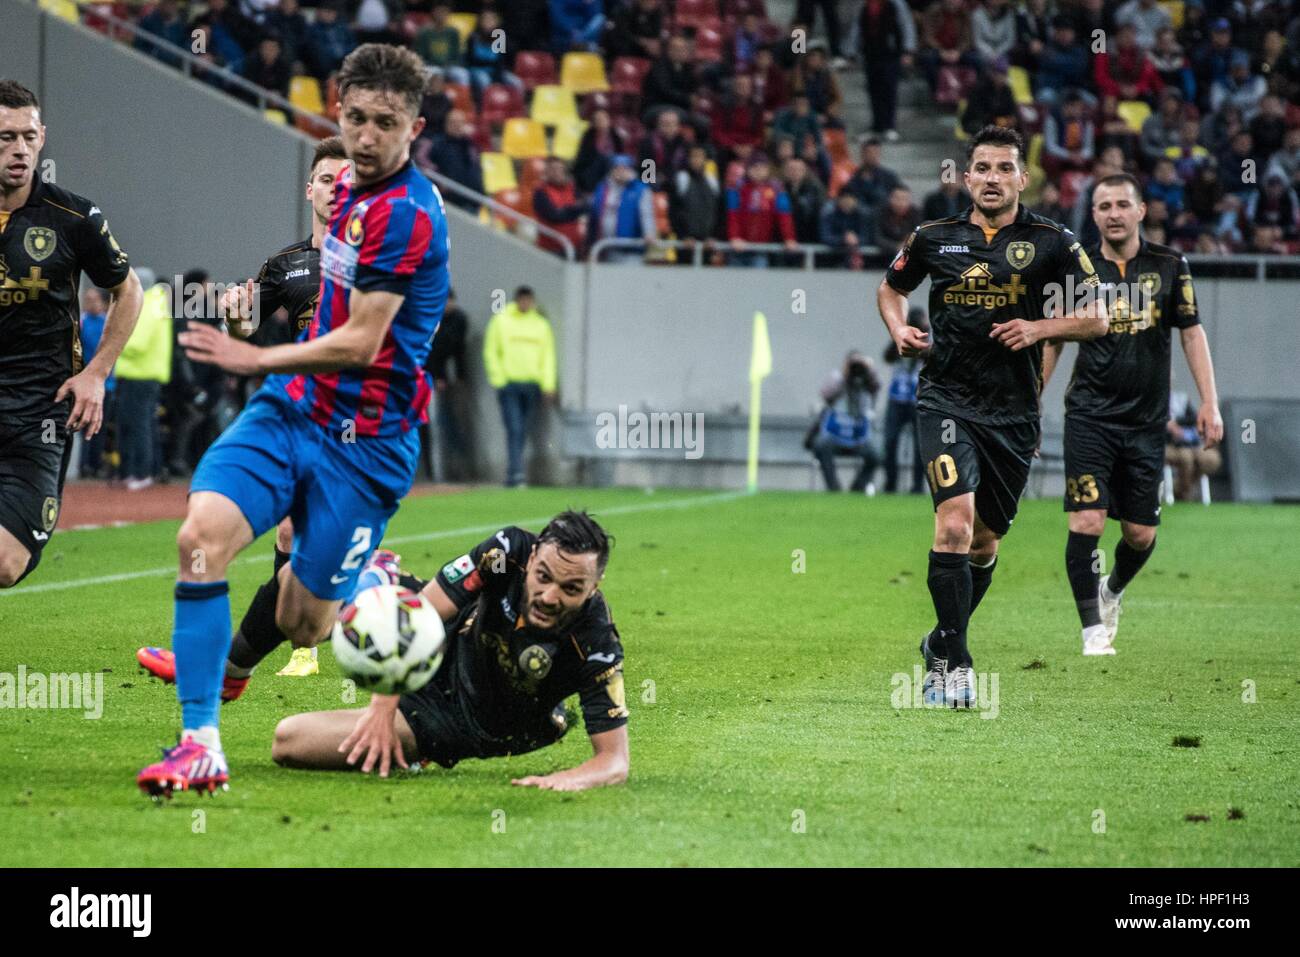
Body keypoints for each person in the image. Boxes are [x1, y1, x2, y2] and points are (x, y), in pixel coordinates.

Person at [135, 44, 450, 797]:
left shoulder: (407, 214)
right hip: (294, 411)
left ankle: (358, 579)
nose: (366, 136)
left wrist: (252, 361)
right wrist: (248, 327)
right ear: (337, 112)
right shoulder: (343, 196)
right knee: (200, 538)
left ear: (415, 125)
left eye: (385, 122)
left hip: (367, 445)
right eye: (354, 118)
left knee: (306, 622)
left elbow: (362, 341)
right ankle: (200, 742)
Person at [877, 124, 1108, 708]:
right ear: (966, 175)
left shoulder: (1053, 241)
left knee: (983, 542)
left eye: (1004, 169)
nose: (992, 179)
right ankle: (956, 664)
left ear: (1022, 178)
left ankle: (939, 640)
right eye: (982, 168)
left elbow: (1100, 316)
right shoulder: (934, 236)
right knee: (953, 524)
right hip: (945, 399)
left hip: (1013, 413)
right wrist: (898, 326)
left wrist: (1040, 327)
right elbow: (890, 288)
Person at [141, 137, 349, 687]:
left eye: (347, 180)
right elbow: (247, 324)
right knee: (262, 532)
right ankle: (235, 675)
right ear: (310, 189)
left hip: (356, 425)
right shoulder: (287, 265)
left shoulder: (381, 263)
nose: (336, 190)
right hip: (294, 414)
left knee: (309, 589)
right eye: (326, 180)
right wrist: (235, 319)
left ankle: (341, 613)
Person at [271, 512, 629, 791]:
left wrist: (571, 778)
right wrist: (382, 706)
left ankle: (419, 752)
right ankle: (234, 667)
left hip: (458, 720)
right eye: (544, 577)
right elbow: (417, 618)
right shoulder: (507, 551)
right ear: (533, 557)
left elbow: (614, 761)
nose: (550, 597)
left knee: (289, 740)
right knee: (323, 608)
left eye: (571, 588)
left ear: (594, 587)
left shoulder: (596, 641)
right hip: (439, 646)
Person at [1042, 172, 1221, 656]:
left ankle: (1112, 591)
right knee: (1087, 522)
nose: (1114, 214)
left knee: (1140, 535)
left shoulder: (1170, 265)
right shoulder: (1078, 268)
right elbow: (1055, 337)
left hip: (1145, 423)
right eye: (1104, 206)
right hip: (1089, 416)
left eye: (1123, 204)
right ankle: (1091, 631)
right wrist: (1030, 402)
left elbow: (1190, 332)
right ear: (1094, 215)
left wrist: (1209, 400)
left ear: (1142, 210)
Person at [0, 80, 142, 587]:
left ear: (42, 138)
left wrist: (97, 373)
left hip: (38, 412)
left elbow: (130, 292)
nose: (19, 149)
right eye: (4, 137)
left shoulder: (74, 217)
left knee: (7, 563)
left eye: (28, 136)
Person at [483, 287, 557, 488]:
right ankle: (516, 473)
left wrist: (548, 384)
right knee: (514, 428)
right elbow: (491, 350)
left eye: (529, 301)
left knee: (523, 430)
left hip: (532, 384)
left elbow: (547, 356)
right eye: (523, 300)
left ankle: (516, 472)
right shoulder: (501, 321)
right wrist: (499, 379)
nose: (526, 304)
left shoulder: (540, 324)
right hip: (510, 384)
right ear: (517, 301)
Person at [115, 275, 172, 492]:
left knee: (137, 426)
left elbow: (137, 343)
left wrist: (113, 343)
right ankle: (140, 471)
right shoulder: (158, 304)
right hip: (147, 374)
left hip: (139, 373)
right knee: (143, 425)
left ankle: (139, 472)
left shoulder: (148, 304)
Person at [810, 352, 880, 493]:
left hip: (856, 438)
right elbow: (825, 395)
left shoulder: (865, 382)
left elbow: (876, 388)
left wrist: (869, 371)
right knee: (821, 446)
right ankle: (834, 488)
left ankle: (857, 488)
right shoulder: (838, 378)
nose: (856, 369)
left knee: (874, 455)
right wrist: (844, 375)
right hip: (835, 436)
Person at [880, 308, 928, 494]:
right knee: (890, 441)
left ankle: (917, 486)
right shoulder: (902, 336)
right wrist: (901, 335)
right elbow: (887, 356)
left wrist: (922, 344)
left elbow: (933, 356)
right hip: (897, 398)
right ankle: (890, 483)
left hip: (919, 397)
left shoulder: (930, 338)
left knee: (920, 446)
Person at [425, 288, 469, 481]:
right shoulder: (429, 321)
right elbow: (430, 352)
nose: (447, 306)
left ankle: (451, 470)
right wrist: (437, 376)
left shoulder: (459, 320)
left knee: (448, 424)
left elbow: (459, 350)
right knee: (431, 426)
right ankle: (433, 473)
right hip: (425, 378)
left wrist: (460, 377)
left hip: (443, 381)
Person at [726, 152, 797, 267]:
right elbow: (732, 216)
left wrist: (789, 238)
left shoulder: (777, 190)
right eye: (755, 167)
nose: (758, 171)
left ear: (767, 169)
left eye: (762, 168)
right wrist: (734, 237)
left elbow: (784, 217)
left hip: (761, 249)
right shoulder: (736, 189)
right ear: (748, 169)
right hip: (738, 248)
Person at [77, 288, 116, 479]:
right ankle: (83, 466)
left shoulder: (108, 324)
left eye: (94, 300)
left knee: (98, 426)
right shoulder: (81, 322)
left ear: (103, 303)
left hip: (106, 385)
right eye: (87, 299)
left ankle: (96, 464)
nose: (90, 303)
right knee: (82, 426)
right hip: (84, 384)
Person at [587, 154, 657, 261]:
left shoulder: (640, 190)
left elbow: (646, 214)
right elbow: (593, 217)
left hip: (630, 249)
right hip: (604, 248)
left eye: (624, 168)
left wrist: (649, 233)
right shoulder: (602, 189)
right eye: (617, 168)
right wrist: (590, 245)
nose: (620, 171)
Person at [1166, 386, 1221, 502]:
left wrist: (1177, 423)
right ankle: (1182, 494)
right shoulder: (1152, 399)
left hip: (1191, 443)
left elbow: (1194, 419)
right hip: (1167, 444)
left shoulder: (1181, 399)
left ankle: (1180, 488)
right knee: (1186, 458)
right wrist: (1169, 427)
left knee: (1210, 459)